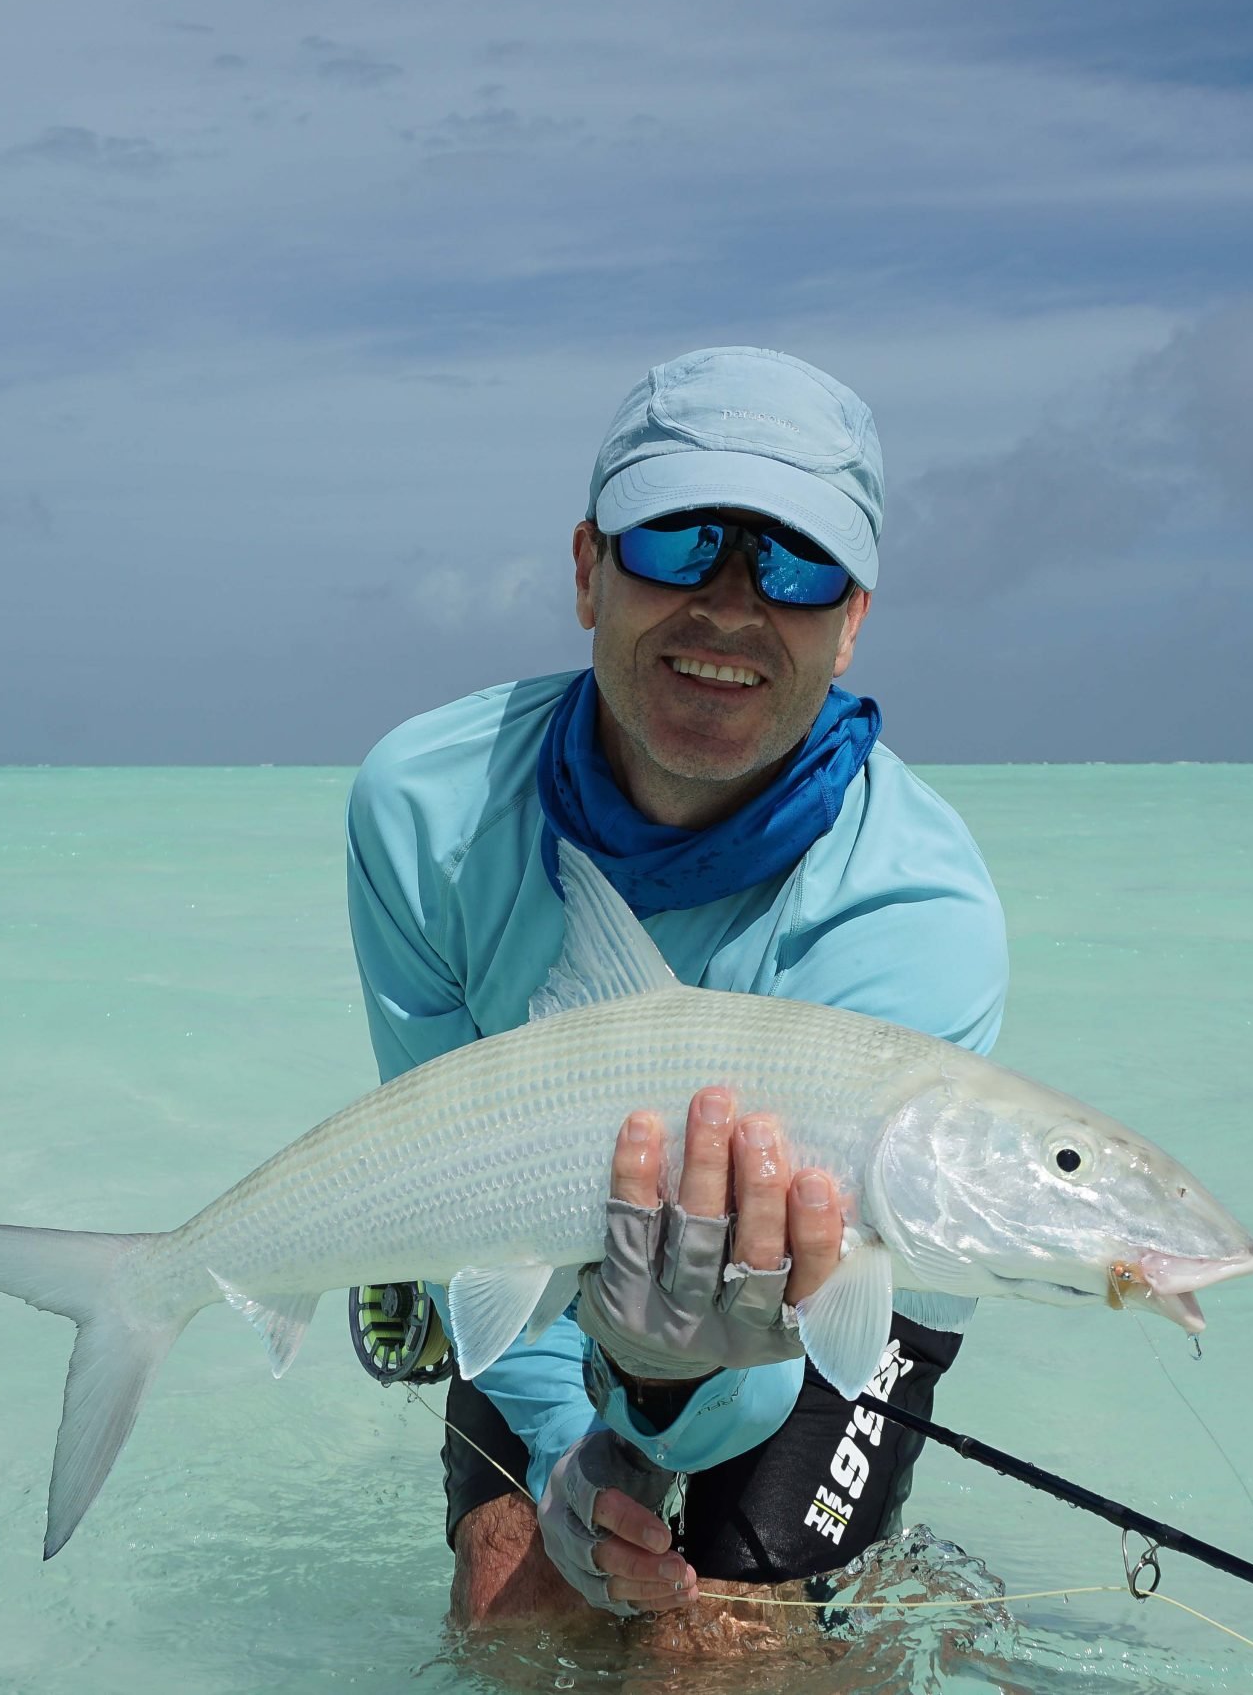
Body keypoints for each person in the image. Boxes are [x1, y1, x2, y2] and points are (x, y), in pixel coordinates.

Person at [345, 346, 1007, 1624]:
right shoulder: (426, 806)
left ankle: (880, 1596)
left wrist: (658, 1405)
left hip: (832, 1300)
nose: (730, 605)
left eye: (796, 565)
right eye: (680, 544)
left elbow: (773, 1343)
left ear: (853, 615)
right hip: (545, 1225)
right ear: (589, 567)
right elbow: (460, 1170)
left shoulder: (915, 915)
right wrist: (574, 1463)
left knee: (715, 1641)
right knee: (512, 1594)